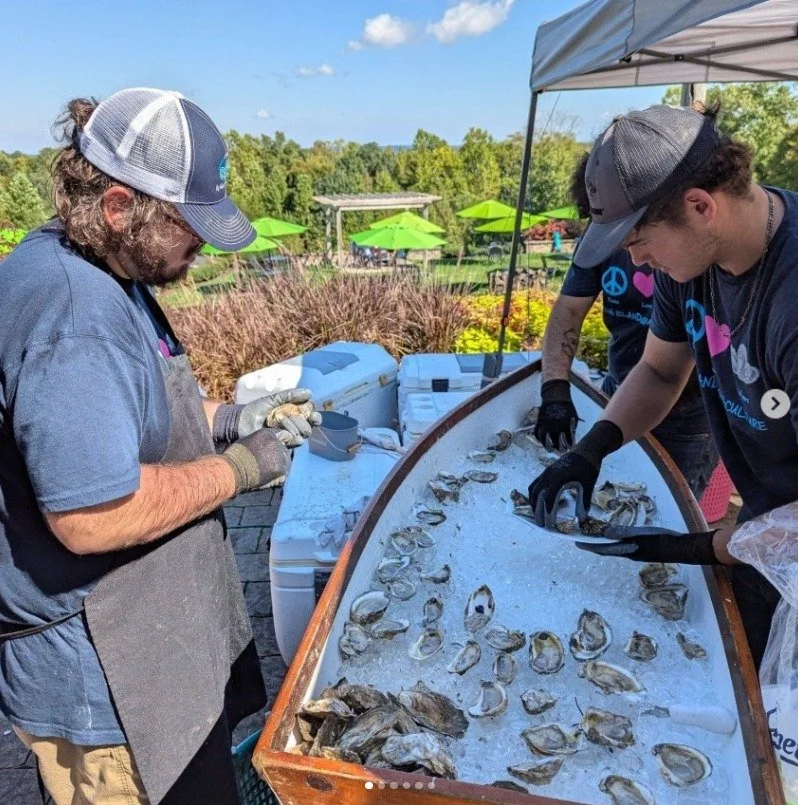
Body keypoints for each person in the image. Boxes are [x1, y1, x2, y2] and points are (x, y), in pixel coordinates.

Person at [0, 88, 320, 804]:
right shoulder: (73, 313)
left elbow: (145, 410)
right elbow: (93, 512)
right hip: (107, 688)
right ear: (118, 206)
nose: (204, 244)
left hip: (149, 648)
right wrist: (241, 468)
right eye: (191, 225)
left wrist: (238, 417)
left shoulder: (110, 267)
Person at [528, 103, 798, 669]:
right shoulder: (693, 265)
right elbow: (658, 370)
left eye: (639, 240)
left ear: (701, 206)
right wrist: (591, 448)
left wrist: (698, 547)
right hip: (761, 528)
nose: (635, 260)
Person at [536, 152, 718, 498]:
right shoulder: (601, 236)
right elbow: (568, 312)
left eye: (632, 239)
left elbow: (668, 369)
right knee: (608, 496)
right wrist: (555, 389)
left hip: (691, 418)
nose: (633, 258)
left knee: (665, 508)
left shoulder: (696, 255)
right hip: (619, 394)